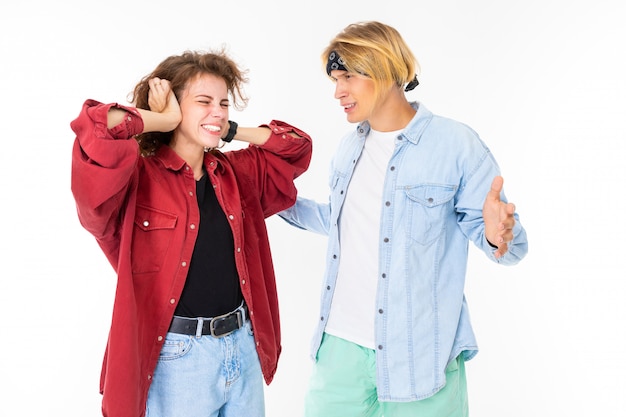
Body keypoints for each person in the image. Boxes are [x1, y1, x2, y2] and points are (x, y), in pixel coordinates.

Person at [278, 21, 528, 417]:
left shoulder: (455, 144)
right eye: (334, 80)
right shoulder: (348, 149)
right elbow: (344, 224)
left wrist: (500, 236)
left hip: (422, 355)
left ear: (385, 68)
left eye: (348, 77)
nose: (338, 91)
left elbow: (507, 247)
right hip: (340, 350)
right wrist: (274, 199)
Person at [70, 49, 312, 417]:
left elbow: (297, 147)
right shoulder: (135, 180)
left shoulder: (237, 173)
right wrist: (163, 118)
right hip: (177, 359)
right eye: (203, 101)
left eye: (224, 103)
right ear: (174, 107)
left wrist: (230, 130)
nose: (218, 111)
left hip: (242, 349)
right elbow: (95, 127)